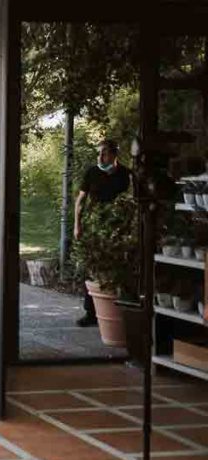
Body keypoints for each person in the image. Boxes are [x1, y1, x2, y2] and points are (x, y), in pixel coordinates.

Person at [74, 139, 132, 327]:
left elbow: (132, 200)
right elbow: (80, 200)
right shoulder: (92, 172)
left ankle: (117, 313)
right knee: (92, 269)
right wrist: (77, 225)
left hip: (118, 228)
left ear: (115, 155)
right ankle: (90, 313)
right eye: (99, 153)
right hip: (95, 227)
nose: (100, 156)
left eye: (104, 153)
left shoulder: (125, 175)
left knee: (116, 269)